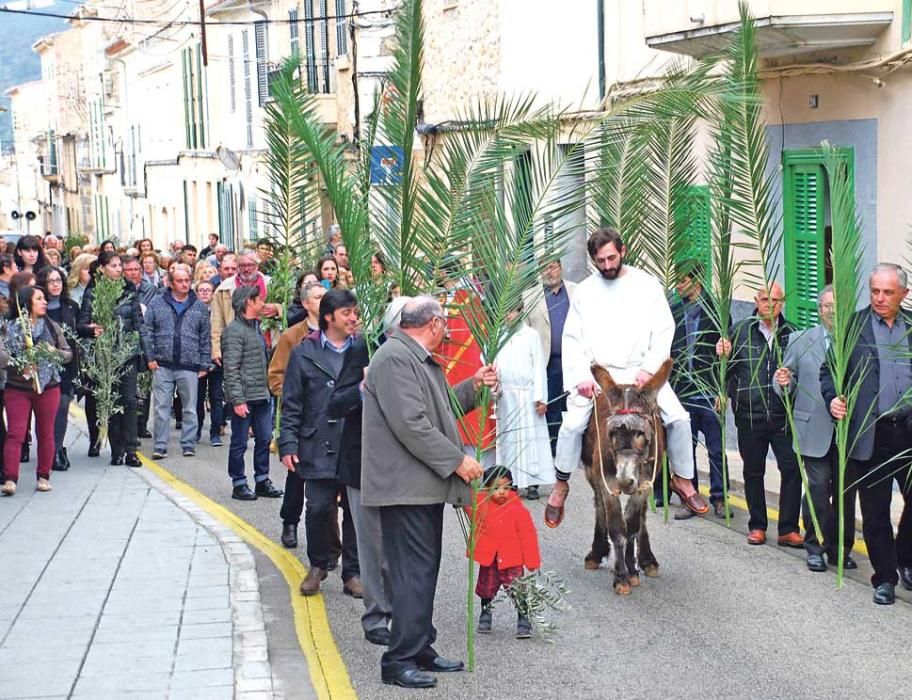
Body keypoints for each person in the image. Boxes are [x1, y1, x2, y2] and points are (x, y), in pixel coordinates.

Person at [361, 296, 497, 689]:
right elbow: (412, 424)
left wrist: (473, 386)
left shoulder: (412, 357)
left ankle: (419, 646)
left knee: (421, 571)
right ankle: (398, 659)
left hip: (418, 486)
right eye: (446, 324)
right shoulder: (395, 358)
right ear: (434, 324)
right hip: (403, 487)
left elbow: (442, 407)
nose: (448, 331)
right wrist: (458, 460)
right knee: (410, 575)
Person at [546, 228, 709, 529]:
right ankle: (561, 485)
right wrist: (582, 376)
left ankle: (683, 479)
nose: (607, 265)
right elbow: (572, 339)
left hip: (640, 373)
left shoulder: (647, 286)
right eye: (600, 261)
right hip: (601, 375)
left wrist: (649, 368)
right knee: (571, 426)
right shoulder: (584, 292)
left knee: (679, 418)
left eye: (611, 258)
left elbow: (663, 329)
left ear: (623, 250)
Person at [822, 263, 912, 605]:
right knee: (875, 512)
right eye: (875, 290)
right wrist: (834, 400)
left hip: (909, 430)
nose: (879, 298)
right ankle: (885, 577)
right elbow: (828, 373)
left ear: (903, 293)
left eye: (888, 292)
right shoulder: (853, 326)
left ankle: (905, 556)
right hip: (870, 432)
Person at [328, 296, 410, 645]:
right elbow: (336, 403)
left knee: (401, 547)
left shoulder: (421, 354)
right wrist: (363, 389)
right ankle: (376, 616)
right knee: (372, 546)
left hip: (404, 465)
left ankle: (404, 614)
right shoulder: (363, 349)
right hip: (363, 463)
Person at [279, 289, 361, 597]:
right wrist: (288, 443)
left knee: (354, 510)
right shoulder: (304, 352)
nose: (353, 318)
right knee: (318, 508)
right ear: (329, 317)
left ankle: (353, 573)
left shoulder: (364, 349)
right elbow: (292, 402)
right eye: (346, 313)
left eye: (355, 312)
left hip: (354, 441)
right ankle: (318, 564)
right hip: (317, 443)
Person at [775, 286, 857, 573]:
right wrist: (783, 382)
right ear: (819, 310)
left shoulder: (855, 339)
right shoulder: (801, 340)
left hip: (849, 430)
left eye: (836, 306)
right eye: (826, 306)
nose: (831, 311)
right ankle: (815, 546)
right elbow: (787, 380)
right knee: (819, 487)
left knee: (846, 492)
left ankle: (841, 549)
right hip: (812, 429)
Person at [717, 282, 802, 547]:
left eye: (775, 300)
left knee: (791, 469)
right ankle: (757, 525)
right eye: (765, 300)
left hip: (781, 415)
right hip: (749, 414)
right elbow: (726, 371)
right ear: (756, 300)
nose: (770, 305)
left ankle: (788, 528)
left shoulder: (791, 334)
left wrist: (791, 382)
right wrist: (721, 359)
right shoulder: (740, 331)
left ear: (783, 302)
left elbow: (801, 375)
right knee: (753, 471)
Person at [77, 251, 148, 467]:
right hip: (104, 355)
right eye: (114, 265)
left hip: (127, 354)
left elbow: (139, 323)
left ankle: (131, 451)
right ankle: (117, 450)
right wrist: (91, 329)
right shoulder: (93, 291)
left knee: (129, 401)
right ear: (102, 268)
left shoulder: (129, 289)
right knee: (111, 402)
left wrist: (148, 355)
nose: (119, 269)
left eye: (120, 265)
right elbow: (81, 324)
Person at [268, 281, 326, 546]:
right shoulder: (292, 336)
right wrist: (298, 395)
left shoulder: (338, 333)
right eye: (317, 297)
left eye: (325, 296)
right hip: (302, 417)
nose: (322, 300)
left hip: (330, 418)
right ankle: (290, 522)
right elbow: (275, 377)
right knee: (296, 475)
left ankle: (330, 541)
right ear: (305, 303)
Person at [668, 260, 728, 519]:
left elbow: (728, 354)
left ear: (696, 281)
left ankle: (720, 497)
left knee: (716, 449)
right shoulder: (672, 312)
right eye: (677, 280)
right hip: (682, 392)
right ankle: (689, 497)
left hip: (709, 391)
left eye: (683, 280)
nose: (679, 285)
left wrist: (722, 390)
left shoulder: (717, 312)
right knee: (685, 449)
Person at [0, 287, 72, 496]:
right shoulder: (9, 328)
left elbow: (67, 354)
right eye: (39, 299)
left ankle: (43, 476)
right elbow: (2, 356)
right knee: (16, 432)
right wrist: (17, 364)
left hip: (48, 387)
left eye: (44, 299)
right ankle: (11, 478)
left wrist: (54, 352)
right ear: (27, 304)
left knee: (46, 432)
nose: (44, 302)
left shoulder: (51, 326)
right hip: (18, 387)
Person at [221, 286, 284, 500]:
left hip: (262, 395)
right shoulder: (233, 331)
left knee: (264, 439)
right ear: (249, 302)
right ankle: (238, 482)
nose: (263, 304)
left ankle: (262, 480)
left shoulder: (256, 327)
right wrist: (237, 400)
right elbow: (230, 368)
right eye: (259, 300)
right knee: (239, 441)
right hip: (245, 397)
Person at [142, 264, 211, 460]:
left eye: (187, 281)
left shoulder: (198, 306)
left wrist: (204, 363)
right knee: (161, 407)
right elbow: (147, 332)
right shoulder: (157, 303)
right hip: (162, 363)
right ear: (171, 283)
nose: (184, 284)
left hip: (189, 363)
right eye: (179, 281)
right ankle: (160, 446)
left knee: (190, 407)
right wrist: (150, 357)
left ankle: (188, 444)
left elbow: (204, 336)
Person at [470, 465, 540, 638]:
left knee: (518, 590)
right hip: (490, 559)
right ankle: (486, 612)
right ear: (486, 489)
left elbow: (528, 536)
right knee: (486, 588)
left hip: (512, 560)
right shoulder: (480, 504)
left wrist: (532, 561)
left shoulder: (518, 509)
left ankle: (523, 617)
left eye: (506, 487)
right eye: (496, 488)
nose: (502, 492)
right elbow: (466, 503)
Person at [493, 304, 554, 499]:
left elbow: (538, 366)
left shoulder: (530, 335)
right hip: (506, 396)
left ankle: (532, 483)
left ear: (519, 311)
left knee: (530, 440)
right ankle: (510, 482)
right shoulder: (497, 336)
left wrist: (540, 397)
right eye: (505, 311)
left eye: (511, 310)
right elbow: (490, 361)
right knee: (509, 441)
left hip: (527, 397)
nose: (508, 315)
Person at [525, 258, 577, 459]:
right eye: (544, 268)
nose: (549, 271)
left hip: (573, 362)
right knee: (550, 410)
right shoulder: (529, 297)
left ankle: (573, 453)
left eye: (553, 267)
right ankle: (552, 453)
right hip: (546, 363)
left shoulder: (576, 291)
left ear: (561, 268)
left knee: (575, 408)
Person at [36, 266, 80, 472]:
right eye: (50, 281)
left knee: (62, 406)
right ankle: (47, 448)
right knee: (45, 412)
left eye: (58, 280)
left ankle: (57, 449)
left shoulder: (71, 306)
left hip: (66, 365)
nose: (55, 284)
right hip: (41, 367)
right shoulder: (35, 307)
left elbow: (78, 329)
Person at [211, 253, 279, 365]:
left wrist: (277, 309)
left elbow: (289, 308)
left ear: (257, 266)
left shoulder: (272, 284)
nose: (246, 269)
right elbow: (216, 323)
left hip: (269, 345)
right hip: (237, 347)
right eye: (242, 265)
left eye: (250, 265)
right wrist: (216, 350)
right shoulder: (224, 289)